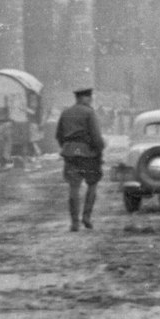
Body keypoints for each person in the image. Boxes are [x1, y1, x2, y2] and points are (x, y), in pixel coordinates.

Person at [55, 86, 106, 231]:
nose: (90, 100)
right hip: (88, 154)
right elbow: (96, 136)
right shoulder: (89, 112)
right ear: (87, 98)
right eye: (90, 98)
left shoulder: (65, 113)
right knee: (92, 184)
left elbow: (59, 135)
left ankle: (74, 222)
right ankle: (87, 217)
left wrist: (68, 147)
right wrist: (99, 149)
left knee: (73, 187)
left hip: (70, 153)